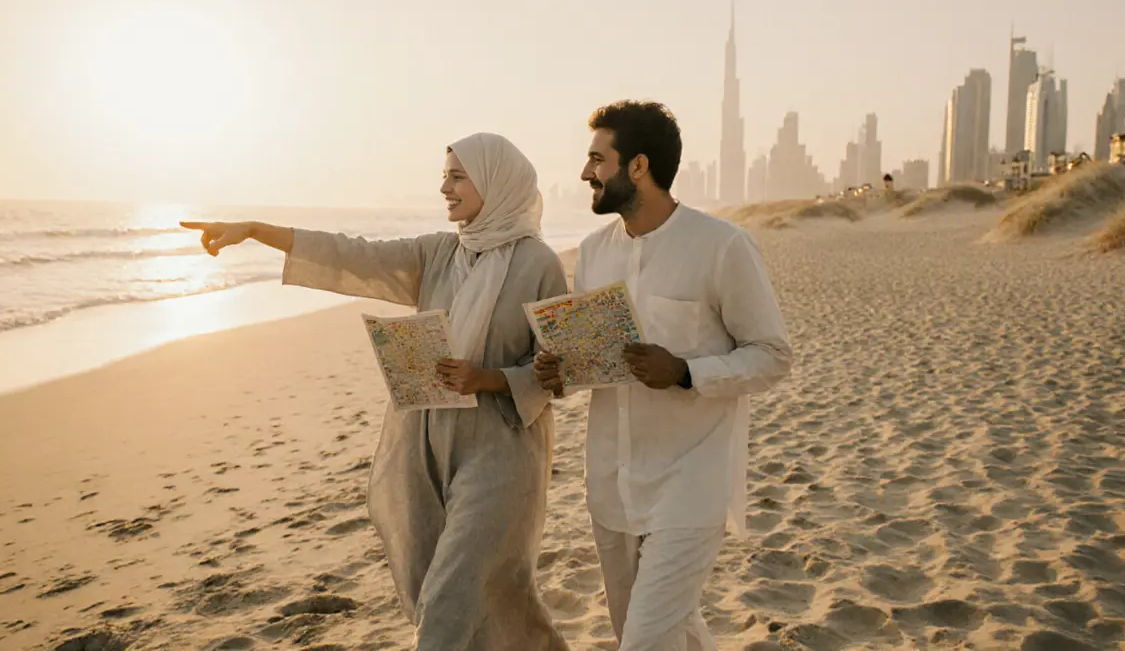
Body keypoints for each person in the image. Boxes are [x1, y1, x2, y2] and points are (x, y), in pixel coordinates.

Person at [181, 133, 570, 651]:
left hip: (503, 450)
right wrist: (255, 230)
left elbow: (560, 369)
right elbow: (352, 253)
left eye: (457, 176)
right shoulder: (437, 253)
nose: (444, 187)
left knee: (452, 598)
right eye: (445, 175)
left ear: (495, 182)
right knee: (489, 593)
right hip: (427, 445)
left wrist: (490, 378)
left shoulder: (539, 263)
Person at [534, 101, 792, 650]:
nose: (585, 174)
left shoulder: (722, 246)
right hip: (611, 481)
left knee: (644, 641)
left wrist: (685, 372)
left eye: (596, 159)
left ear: (638, 167)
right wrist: (563, 371)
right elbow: (597, 362)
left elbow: (773, 355)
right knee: (660, 632)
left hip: (691, 480)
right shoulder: (593, 253)